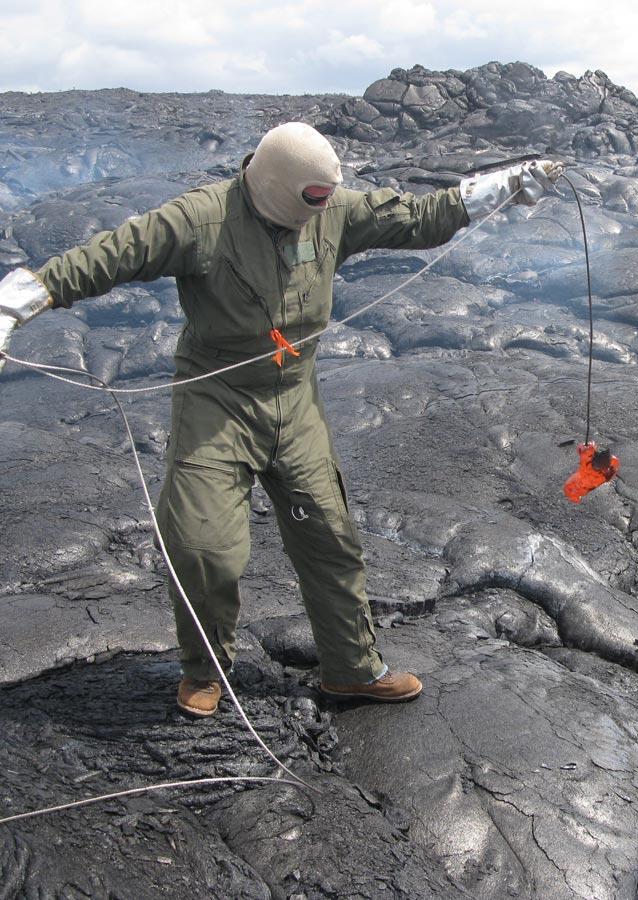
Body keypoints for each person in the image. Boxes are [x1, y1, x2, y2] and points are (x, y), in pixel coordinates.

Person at [0, 122, 562, 717]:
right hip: (216, 400)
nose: (322, 211)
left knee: (330, 537)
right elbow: (104, 257)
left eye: (327, 198)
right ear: (274, 187)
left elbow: (420, 217)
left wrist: (505, 185)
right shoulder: (198, 220)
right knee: (202, 545)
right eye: (311, 200)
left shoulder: (332, 209)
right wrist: (14, 304)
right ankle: (206, 671)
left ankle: (352, 670)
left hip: (294, 402)